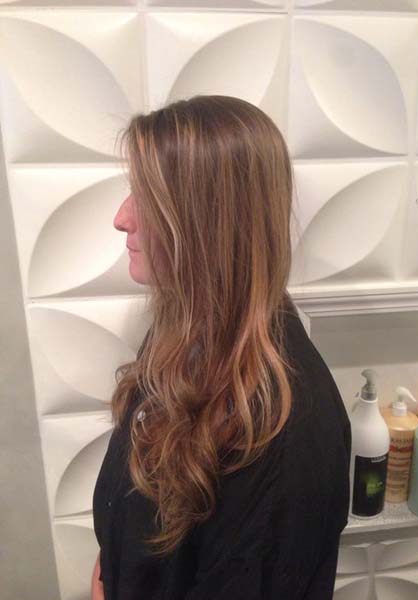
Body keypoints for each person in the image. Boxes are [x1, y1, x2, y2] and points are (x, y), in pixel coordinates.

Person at [91, 95, 351, 600]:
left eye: (146, 196)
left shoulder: (282, 439)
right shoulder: (182, 336)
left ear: (208, 221)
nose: (122, 218)